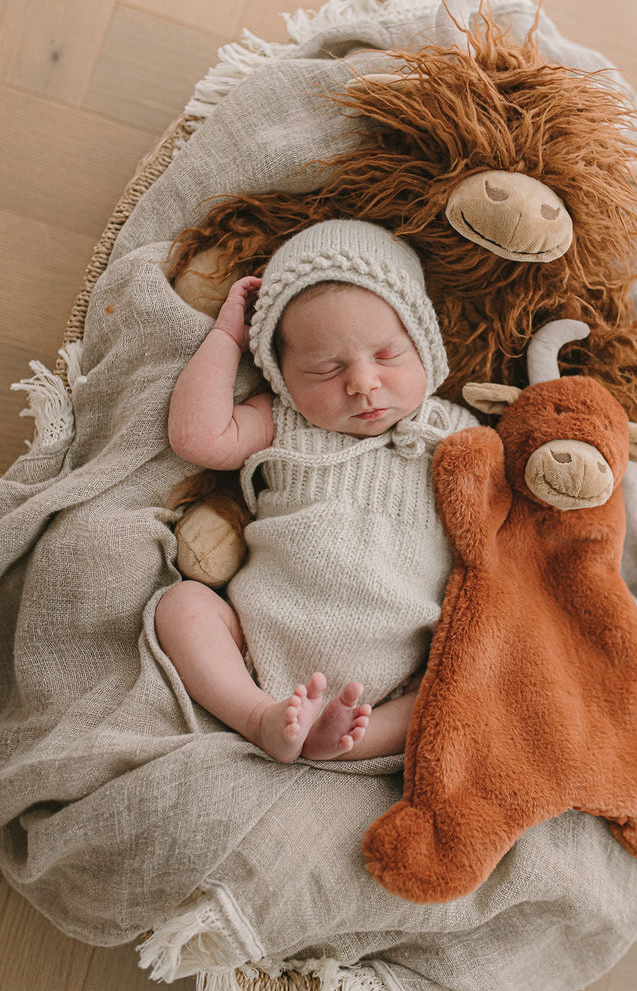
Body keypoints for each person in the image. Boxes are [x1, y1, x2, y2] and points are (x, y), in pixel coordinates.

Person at [155, 221, 477, 765]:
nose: (362, 382)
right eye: (325, 369)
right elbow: (196, 436)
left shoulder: (458, 435)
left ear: (424, 345)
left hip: (398, 671)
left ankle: (348, 742)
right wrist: (227, 337)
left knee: (463, 678)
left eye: (388, 355)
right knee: (181, 607)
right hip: (257, 640)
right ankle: (257, 715)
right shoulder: (284, 420)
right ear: (282, 376)